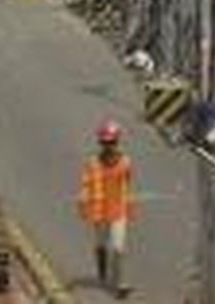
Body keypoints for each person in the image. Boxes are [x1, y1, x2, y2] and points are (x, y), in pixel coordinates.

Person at [78, 120, 134, 298]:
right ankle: (102, 269)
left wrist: (128, 207)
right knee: (101, 245)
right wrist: (84, 201)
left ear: (117, 142)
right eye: (105, 142)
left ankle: (117, 285)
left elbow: (127, 185)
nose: (108, 146)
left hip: (118, 212)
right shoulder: (92, 163)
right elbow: (85, 185)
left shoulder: (125, 162)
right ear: (100, 143)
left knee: (118, 249)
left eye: (111, 142)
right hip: (99, 212)